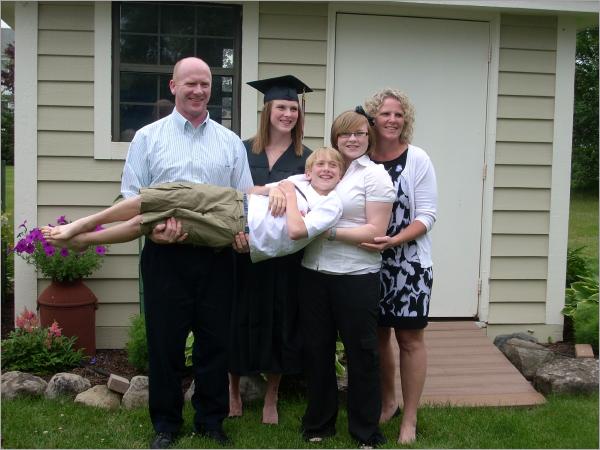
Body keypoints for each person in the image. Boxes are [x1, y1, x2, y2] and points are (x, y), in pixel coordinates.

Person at [119, 57, 254, 449]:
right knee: (165, 343)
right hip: (166, 256)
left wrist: (243, 233)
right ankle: (165, 423)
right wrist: (155, 231)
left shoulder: (229, 142)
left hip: (217, 258)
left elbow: (244, 199)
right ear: (173, 86)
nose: (198, 91)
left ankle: (211, 421)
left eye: (205, 84)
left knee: (215, 342)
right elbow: (131, 196)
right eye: (190, 83)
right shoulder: (148, 138)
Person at [40, 147, 344, 263]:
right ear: (308, 171)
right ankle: (85, 223)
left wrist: (287, 194)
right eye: (320, 164)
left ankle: (86, 241)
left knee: (156, 222)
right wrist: (277, 187)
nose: (326, 169)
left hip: (237, 228)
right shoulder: (299, 180)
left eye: (334, 166)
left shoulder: (331, 204)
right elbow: (255, 189)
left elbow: (296, 231)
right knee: (163, 195)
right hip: (235, 199)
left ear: (340, 176)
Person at [298, 109, 395, 448]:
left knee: (361, 353)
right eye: (345, 134)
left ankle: (366, 430)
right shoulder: (326, 168)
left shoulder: (375, 176)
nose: (352, 139)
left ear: (369, 138)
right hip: (314, 273)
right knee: (317, 351)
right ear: (335, 138)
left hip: (356, 275)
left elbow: (375, 231)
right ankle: (319, 424)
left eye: (359, 134)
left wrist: (327, 231)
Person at [228, 75, 313, 425]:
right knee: (236, 318)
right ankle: (233, 390)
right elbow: (230, 193)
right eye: (281, 107)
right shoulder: (241, 150)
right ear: (267, 110)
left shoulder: (308, 158)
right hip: (243, 250)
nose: (288, 114)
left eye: (293, 108)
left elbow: (313, 200)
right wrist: (268, 191)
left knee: (281, 321)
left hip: (285, 257)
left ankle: (272, 396)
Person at [361, 89, 437, 444]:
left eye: (399, 114)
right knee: (378, 338)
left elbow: (428, 215)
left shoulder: (417, 159)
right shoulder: (361, 158)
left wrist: (394, 241)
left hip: (409, 265)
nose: (392, 120)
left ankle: (410, 418)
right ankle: (388, 401)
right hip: (368, 262)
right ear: (372, 119)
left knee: (409, 339)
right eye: (385, 114)